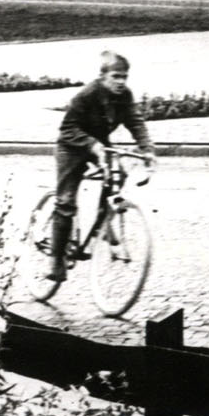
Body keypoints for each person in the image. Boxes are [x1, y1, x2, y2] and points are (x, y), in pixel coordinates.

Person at [48, 50, 154, 286]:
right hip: (72, 146)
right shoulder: (87, 95)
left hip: (100, 144)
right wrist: (92, 145)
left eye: (124, 77)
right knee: (65, 202)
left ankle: (104, 220)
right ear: (102, 76)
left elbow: (135, 121)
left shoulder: (124, 95)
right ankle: (56, 258)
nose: (121, 82)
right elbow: (67, 129)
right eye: (116, 76)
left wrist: (147, 149)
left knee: (119, 172)